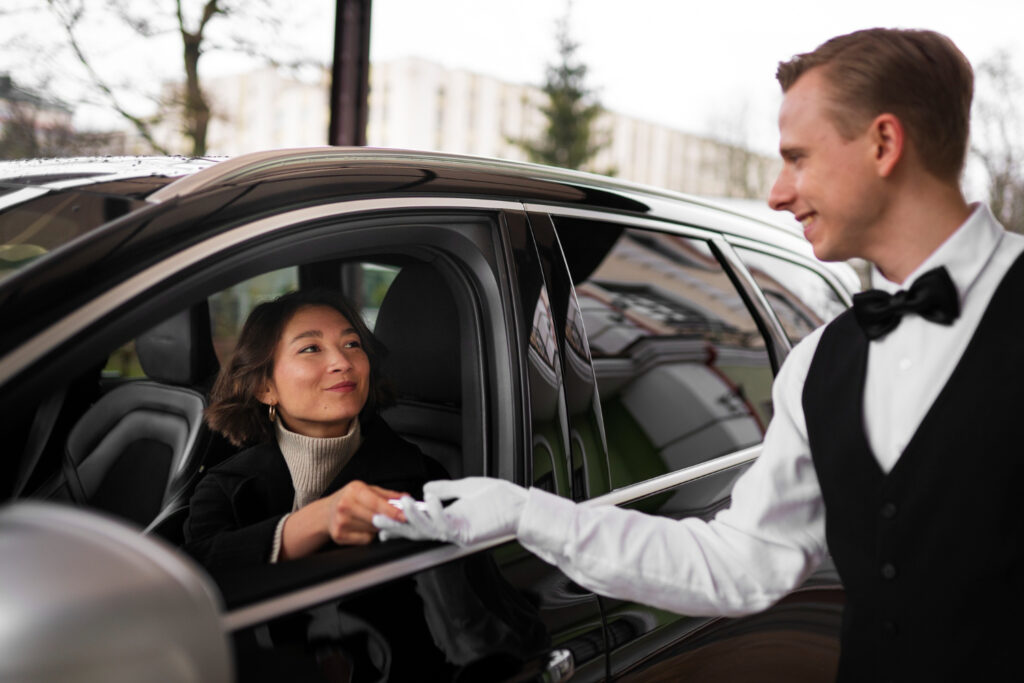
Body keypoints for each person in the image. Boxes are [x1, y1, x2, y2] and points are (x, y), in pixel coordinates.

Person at [376, 28, 1024, 681]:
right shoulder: (820, 361)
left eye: (797, 157)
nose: (776, 192)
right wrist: (526, 512)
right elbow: (740, 561)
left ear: (884, 143)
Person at [183, 288, 447, 570]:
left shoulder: (426, 480)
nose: (342, 363)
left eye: (352, 344)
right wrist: (318, 519)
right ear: (265, 388)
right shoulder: (222, 488)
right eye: (311, 349)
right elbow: (196, 579)